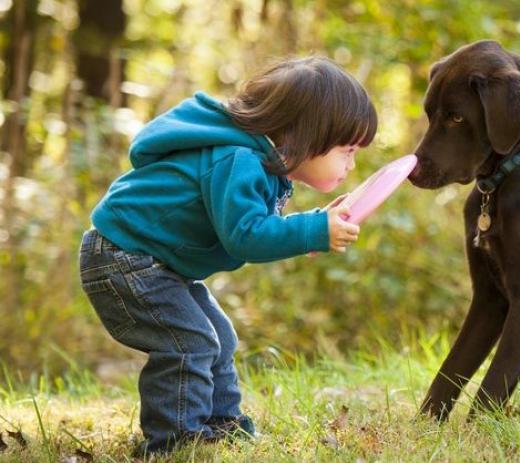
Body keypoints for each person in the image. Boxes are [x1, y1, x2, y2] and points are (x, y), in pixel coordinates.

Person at [77, 56, 375, 455]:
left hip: (154, 262)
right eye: (347, 150)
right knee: (190, 341)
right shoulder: (237, 159)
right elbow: (245, 236)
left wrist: (313, 229)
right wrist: (312, 232)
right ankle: (176, 442)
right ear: (306, 134)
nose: (351, 164)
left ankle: (220, 423)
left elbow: (256, 225)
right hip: (123, 258)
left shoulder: (257, 161)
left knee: (219, 336)